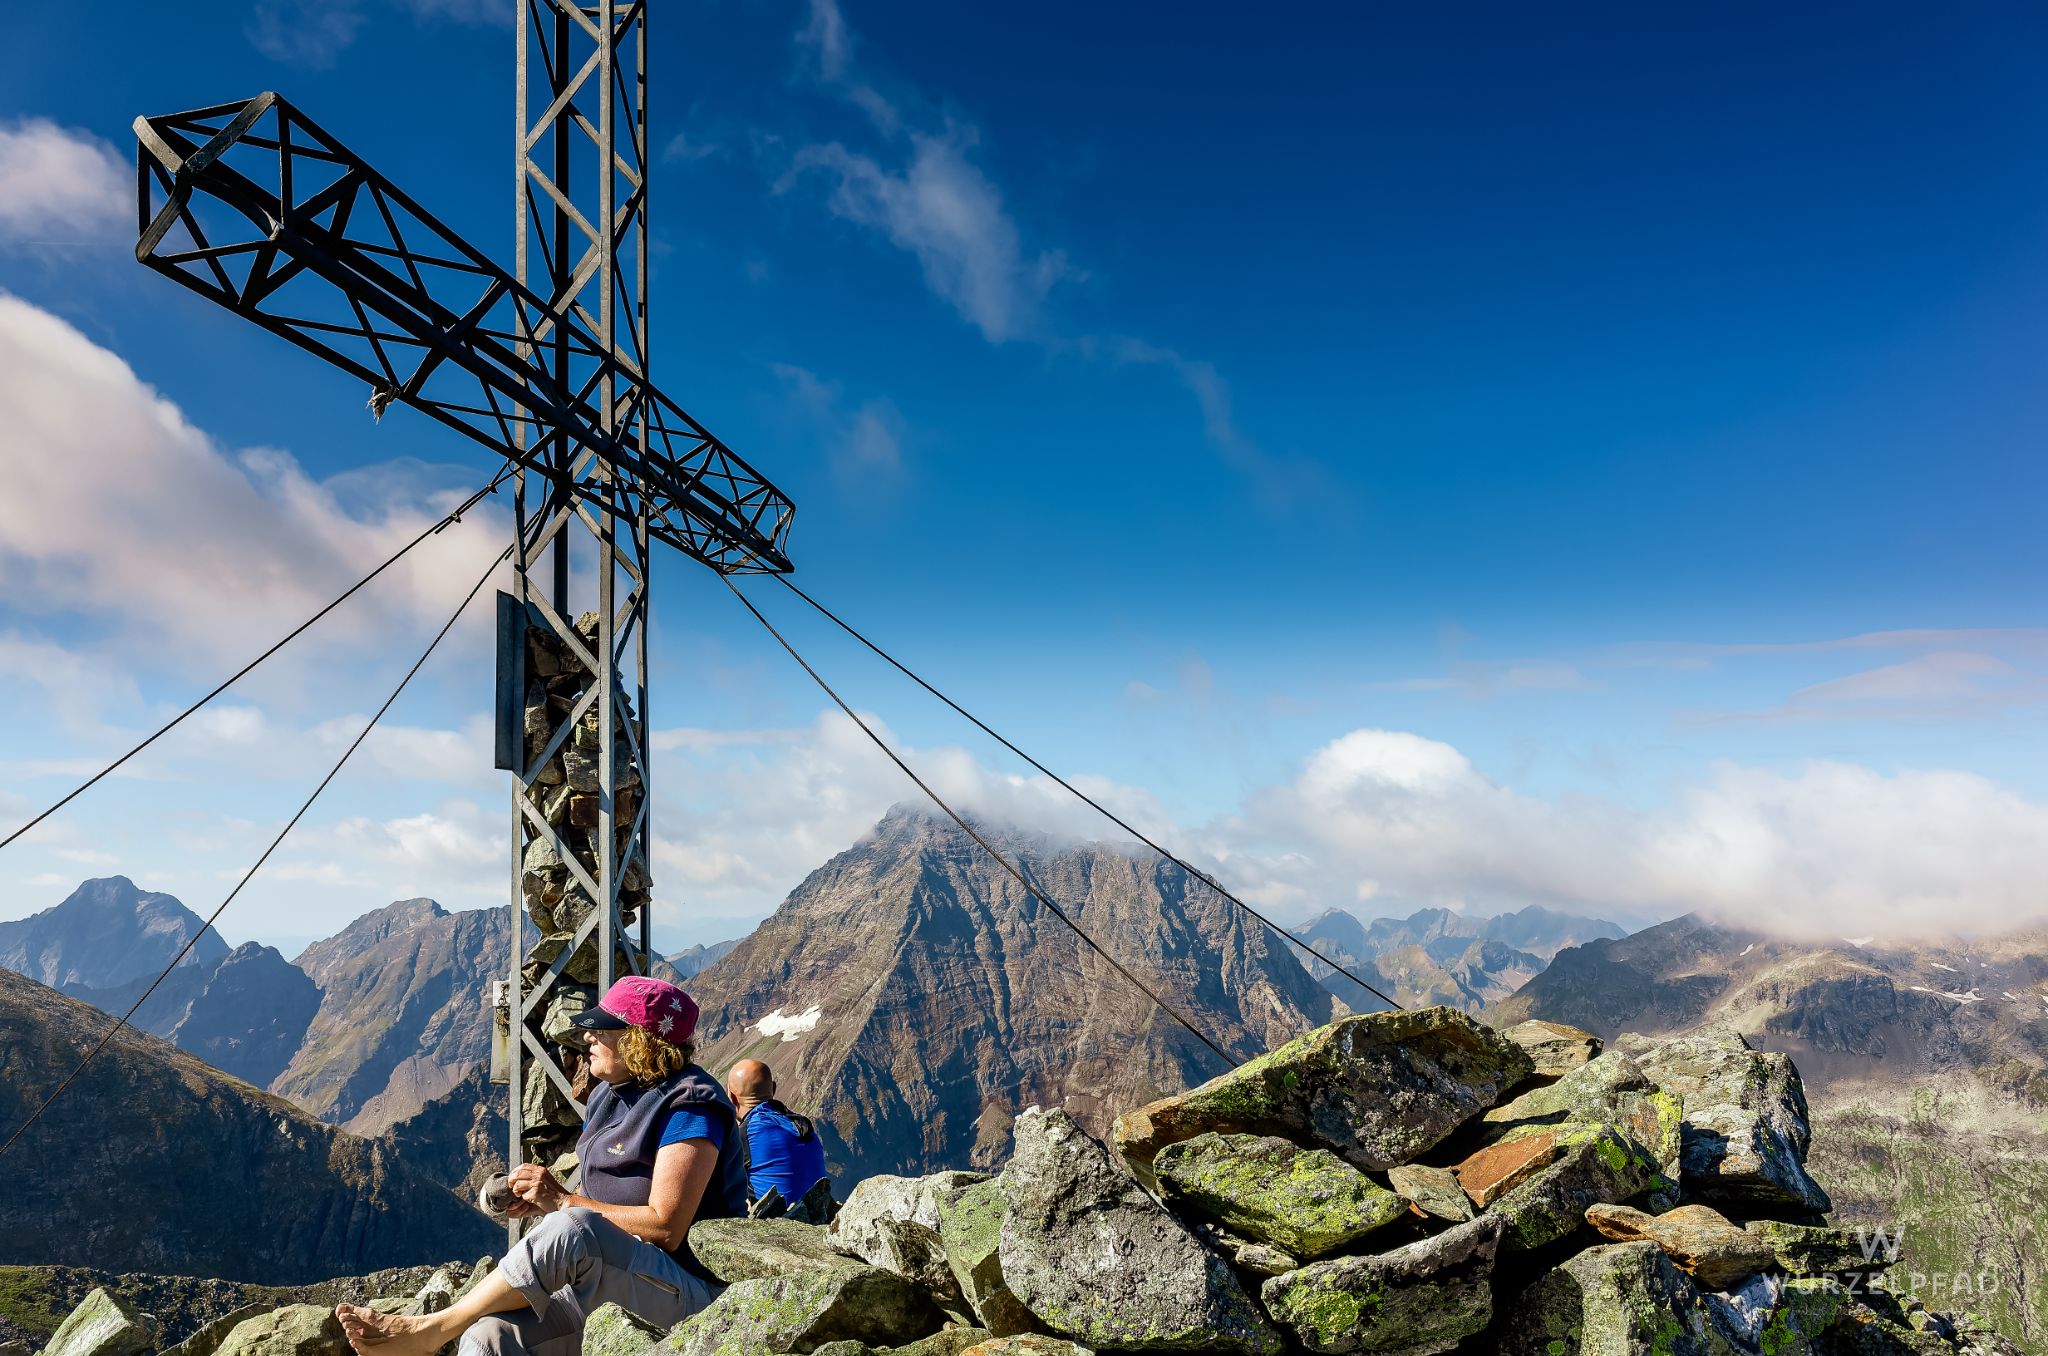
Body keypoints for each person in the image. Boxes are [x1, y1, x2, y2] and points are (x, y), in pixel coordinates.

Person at [336, 976, 748, 1356]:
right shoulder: (608, 1095)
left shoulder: (690, 1104)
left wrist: (564, 1202)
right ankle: (445, 1331)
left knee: (572, 1229)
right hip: (606, 1283)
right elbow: (601, 1205)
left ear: (640, 1039)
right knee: (489, 1337)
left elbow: (665, 1227)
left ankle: (430, 1330)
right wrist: (546, 1204)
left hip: (685, 1293)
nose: (587, 1036)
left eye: (602, 1028)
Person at [725, 1059, 829, 1208]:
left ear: (732, 1098)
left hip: (773, 1223)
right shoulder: (804, 1126)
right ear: (773, 1089)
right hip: (817, 1217)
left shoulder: (745, 1134)